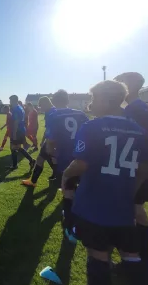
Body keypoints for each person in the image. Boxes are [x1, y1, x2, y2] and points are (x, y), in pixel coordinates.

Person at [64, 80, 148, 285]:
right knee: (131, 255)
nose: (91, 104)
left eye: (94, 99)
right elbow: (143, 170)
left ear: (105, 99)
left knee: (98, 254)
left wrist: (65, 177)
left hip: (93, 203)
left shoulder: (93, 127)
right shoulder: (138, 130)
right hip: (123, 205)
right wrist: (129, 193)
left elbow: (80, 164)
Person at [114, 72, 148, 277]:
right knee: (134, 211)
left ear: (132, 85)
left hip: (135, 167)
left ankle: (142, 258)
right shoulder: (133, 108)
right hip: (131, 165)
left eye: (122, 83)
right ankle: (137, 256)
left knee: (137, 211)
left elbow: (138, 140)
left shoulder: (136, 109)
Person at [33, 95, 88, 243]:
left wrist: (53, 153)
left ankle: (71, 229)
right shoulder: (80, 114)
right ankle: (79, 219)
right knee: (79, 188)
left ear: (55, 102)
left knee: (68, 191)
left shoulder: (55, 115)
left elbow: (50, 141)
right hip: (81, 156)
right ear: (67, 101)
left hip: (65, 156)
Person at [22, 95, 58, 185]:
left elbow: (51, 130)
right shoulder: (52, 111)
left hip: (52, 140)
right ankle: (57, 176)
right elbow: (48, 129)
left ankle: (33, 181)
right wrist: (43, 141)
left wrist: (47, 142)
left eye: (41, 106)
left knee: (42, 158)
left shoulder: (51, 113)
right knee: (49, 158)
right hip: (53, 139)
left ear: (46, 104)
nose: (40, 108)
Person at [9, 95, 35, 169]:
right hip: (21, 130)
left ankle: (15, 165)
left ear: (14, 101)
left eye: (10, 101)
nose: (10, 102)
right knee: (17, 147)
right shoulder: (20, 108)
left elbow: (16, 122)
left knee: (13, 147)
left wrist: (14, 133)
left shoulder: (16, 109)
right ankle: (31, 160)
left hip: (17, 131)